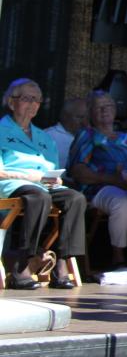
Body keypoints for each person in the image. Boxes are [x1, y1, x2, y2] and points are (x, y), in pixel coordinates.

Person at [0, 79, 86, 289]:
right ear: (11, 102)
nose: (32, 104)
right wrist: (30, 177)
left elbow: (51, 170)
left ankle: (62, 263)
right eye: (26, 98)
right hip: (12, 184)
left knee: (76, 198)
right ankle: (22, 264)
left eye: (36, 100)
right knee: (38, 196)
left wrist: (55, 179)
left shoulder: (44, 137)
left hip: (43, 185)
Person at [67, 91, 127, 269]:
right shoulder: (87, 135)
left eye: (109, 106)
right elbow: (78, 171)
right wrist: (113, 179)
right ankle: (119, 257)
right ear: (90, 112)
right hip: (99, 189)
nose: (105, 110)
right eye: (99, 107)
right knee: (123, 202)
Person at [44, 98, 87, 170]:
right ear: (65, 116)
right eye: (79, 117)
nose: (84, 122)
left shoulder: (90, 137)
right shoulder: (47, 137)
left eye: (86, 118)